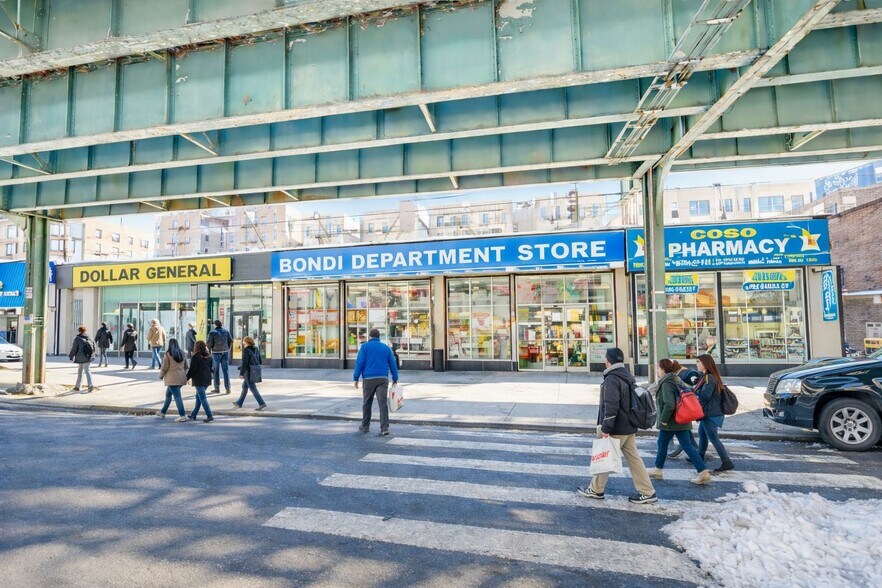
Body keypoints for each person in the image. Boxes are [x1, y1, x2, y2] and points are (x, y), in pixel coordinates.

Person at [577, 347, 657, 504]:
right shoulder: (627, 376)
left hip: (617, 427)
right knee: (634, 460)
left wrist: (606, 428)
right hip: (629, 426)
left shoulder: (612, 378)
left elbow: (611, 405)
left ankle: (596, 490)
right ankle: (648, 492)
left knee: (604, 458)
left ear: (607, 361)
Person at [647, 358, 712, 485]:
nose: (657, 371)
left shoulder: (666, 383)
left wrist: (663, 420)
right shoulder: (676, 379)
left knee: (667, 444)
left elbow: (669, 404)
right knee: (679, 445)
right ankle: (658, 469)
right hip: (681, 418)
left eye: (658, 368)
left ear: (663, 370)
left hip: (671, 422)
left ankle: (659, 469)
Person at [353, 328, 399, 436]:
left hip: (368, 379)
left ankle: (365, 426)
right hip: (382, 379)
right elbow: (392, 363)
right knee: (383, 403)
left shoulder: (364, 347)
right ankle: (384, 428)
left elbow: (359, 363)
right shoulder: (386, 348)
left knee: (367, 402)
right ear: (379, 337)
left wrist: (356, 378)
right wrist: (395, 378)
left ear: (370, 337)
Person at [695, 354, 734, 473]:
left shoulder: (709, 378)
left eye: (698, 362)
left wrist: (696, 396)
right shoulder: (706, 376)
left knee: (713, 438)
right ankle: (698, 457)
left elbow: (705, 396)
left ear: (705, 364)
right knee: (702, 435)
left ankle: (726, 462)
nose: (697, 364)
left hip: (711, 413)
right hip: (709, 412)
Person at [156, 338, 189, 422]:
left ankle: (182, 415)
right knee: (168, 395)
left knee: (177, 397)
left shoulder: (168, 354)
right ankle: (163, 412)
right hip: (181, 378)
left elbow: (164, 367)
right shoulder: (182, 353)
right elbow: (186, 366)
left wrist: (161, 376)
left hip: (172, 379)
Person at [233, 336, 266, 410]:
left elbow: (245, 363)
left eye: (243, 341)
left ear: (246, 342)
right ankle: (239, 403)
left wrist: (241, 373)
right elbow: (260, 361)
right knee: (244, 387)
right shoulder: (256, 349)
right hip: (255, 370)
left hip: (248, 372)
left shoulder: (246, 350)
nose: (243, 343)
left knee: (253, 388)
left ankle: (261, 403)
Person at [187, 340, 214, 423]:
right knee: (198, 397)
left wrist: (186, 378)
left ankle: (209, 415)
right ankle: (194, 414)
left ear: (196, 347)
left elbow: (192, 370)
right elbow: (211, 368)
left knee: (202, 397)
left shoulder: (195, 357)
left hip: (199, 380)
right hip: (207, 379)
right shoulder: (209, 356)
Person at [207, 319, 233, 395]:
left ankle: (217, 388)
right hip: (225, 352)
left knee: (216, 371)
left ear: (215, 325)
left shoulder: (212, 332)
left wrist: (209, 350)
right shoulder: (226, 332)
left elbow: (209, 343)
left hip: (216, 353)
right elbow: (231, 341)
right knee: (226, 370)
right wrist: (227, 348)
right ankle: (228, 388)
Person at [68, 325, 96, 393]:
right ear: (85, 330)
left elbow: (74, 348)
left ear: (79, 331)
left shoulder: (77, 338)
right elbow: (94, 346)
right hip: (88, 357)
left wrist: (71, 356)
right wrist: (92, 354)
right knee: (87, 371)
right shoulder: (89, 337)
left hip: (80, 358)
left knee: (80, 372)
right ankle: (88, 386)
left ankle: (79, 386)